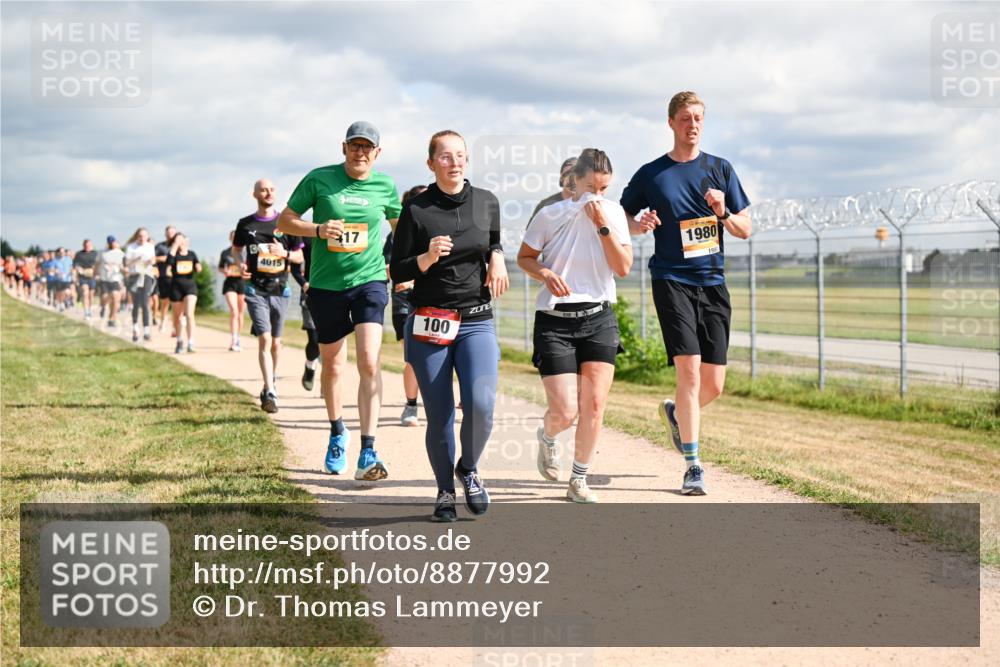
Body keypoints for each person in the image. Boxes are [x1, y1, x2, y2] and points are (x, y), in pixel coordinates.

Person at [620, 91, 752, 496]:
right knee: (689, 371)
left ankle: (677, 413)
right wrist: (640, 224)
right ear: (671, 123)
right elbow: (622, 217)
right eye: (684, 118)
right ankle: (693, 466)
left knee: (713, 385)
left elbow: (746, 228)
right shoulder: (652, 174)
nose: (691, 125)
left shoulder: (720, 170)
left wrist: (723, 212)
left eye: (697, 118)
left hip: (712, 283)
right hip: (671, 279)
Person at [390, 129, 508, 522]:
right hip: (430, 322)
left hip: (476, 319)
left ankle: (468, 469)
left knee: (482, 405)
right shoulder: (417, 210)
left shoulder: (487, 202)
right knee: (439, 413)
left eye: (460, 155)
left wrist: (498, 255)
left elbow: (492, 242)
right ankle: (444, 492)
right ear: (431, 164)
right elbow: (397, 269)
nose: (454, 162)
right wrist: (424, 258)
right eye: (445, 156)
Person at [277, 121, 401, 481]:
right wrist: (317, 230)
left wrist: (411, 264)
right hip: (326, 286)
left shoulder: (385, 185)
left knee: (369, 360)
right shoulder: (319, 179)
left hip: (370, 281)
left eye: (367, 147)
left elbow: (402, 228)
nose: (360, 153)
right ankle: (336, 432)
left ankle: (368, 448)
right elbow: (285, 222)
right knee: (332, 366)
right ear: (343, 148)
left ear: (377, 153)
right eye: (354, 146)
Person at [517, 149, 633, 503]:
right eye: (590, 187)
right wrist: (546, 272)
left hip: (598, 318)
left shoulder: (612, 214)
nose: (596, 196)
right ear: (574, 181)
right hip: (555, 321)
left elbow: (623, 267)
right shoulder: (549, 215)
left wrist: (601, 224)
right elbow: (524, 258)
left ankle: (578, 480)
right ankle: (549, 437)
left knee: (594, 405)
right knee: (565, 412)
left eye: (604, 188)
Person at [234, 179, 303, 413]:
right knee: (264, 338)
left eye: (272, 189)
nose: (268, 192)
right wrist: (239, 264)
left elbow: (299, 258)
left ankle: (269, 381)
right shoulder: (245, 224)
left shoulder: (285, 222)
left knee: (276, 342)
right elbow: (236, 249)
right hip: (255, 288)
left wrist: (283, 253)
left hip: (280, 289)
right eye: (263, 189)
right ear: (255, 193)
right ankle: (271, 389)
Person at [383, 184, 427, 427]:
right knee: (414, 357)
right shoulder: (398, 233)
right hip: (406, 301)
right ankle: (411, 405)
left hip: (438, 300)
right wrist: (407, 277)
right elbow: (391, 267)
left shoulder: (443, 227)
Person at [166, 233, 201, 353]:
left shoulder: (192, 254)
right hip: (176, 288)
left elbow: (197, 265)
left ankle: (191, 342)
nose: (181, 242)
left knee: (189, 314)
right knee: (178, 317)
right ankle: (179, 340)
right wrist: (175, 246)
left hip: (190, 287)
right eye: (178, 240)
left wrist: (198, 267)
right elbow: (168, 263)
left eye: (182, 240)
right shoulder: (173, 255)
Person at [124, 227, 157, 342]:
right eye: (140, 236)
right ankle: (135, 327)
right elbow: (127, 263)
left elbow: (153, 260)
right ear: (137, 236)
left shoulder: (151, 247)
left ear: (147, 237)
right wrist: (136, 259)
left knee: (145, 303)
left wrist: (151, 262)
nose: (142, 238)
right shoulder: (131, 247)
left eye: (144, 236)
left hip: (146, 276)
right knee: (136, 304)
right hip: (135, 276)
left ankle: (146, 330)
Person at [218, 230, 247, 352]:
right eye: (233, 238)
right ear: (230, 239)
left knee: (240, 313)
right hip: (230, 283)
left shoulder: (246, 252)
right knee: (234, 311)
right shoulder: (225, 252)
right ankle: (233, 339)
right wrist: (224, 271)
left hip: (243, 283)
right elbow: (220, 267)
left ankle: (238, 337)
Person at [528, 157, 577, 226]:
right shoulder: (545, 206)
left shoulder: (590, 205)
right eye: (567, 174)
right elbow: (530, 234)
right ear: (561, 178)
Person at [96, 237, 125, 327]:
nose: (112, 244)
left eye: (114, 242)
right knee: (105, 297)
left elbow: (122, 266)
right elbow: (97, 263)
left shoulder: (120, 253)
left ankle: (112, 319)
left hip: (115, 279)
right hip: (104, 279)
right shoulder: (102, 252)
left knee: (116, 298)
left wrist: (125, 272)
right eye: (110, 243)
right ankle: (103, 306)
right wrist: (95, 274)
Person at [154, 226, 177, 332]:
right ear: (165, 234)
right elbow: (153, 259)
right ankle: (163, 321)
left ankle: (175, 326)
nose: (170, 235)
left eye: (172, 233)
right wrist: (164, 258)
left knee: (177, 303)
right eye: (168, 233)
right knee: (165, 301)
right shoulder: (159, 246)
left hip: (177, 277)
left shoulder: (178, 246)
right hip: (164, 277)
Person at [73, 239, 99, 319]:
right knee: (85, 293)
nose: (87, 247)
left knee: (91, 295)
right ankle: (86, 312)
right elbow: (75, 265)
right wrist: (79, 270)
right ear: (83, 245)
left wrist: (96, 272)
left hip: (92, 276)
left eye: (88, 245)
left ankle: (90, 310)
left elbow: (98, 264)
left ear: (91, 245)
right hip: (83, 277)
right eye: (85, 245)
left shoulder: (95, 253)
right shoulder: (79, 254)